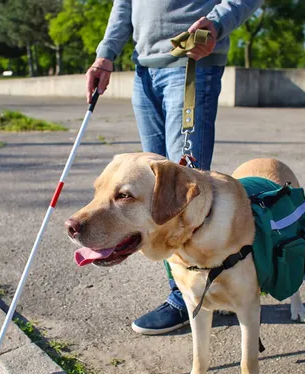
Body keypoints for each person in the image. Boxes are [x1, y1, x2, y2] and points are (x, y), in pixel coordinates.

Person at [85, 0, 264, 335]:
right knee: (151, 193)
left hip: (191, 59)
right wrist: (105, 53)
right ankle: (195, 285)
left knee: (184, 187)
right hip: (144, 69)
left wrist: (216, 22)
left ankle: (187, 295)